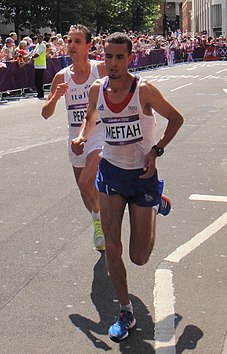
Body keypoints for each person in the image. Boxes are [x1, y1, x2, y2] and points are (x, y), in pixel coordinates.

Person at [71, 32, 184, 341]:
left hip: (142, 179)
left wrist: (156, 150)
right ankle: (125, 310)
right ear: (103, 58)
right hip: (110, 173)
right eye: (108, 57)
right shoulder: (97, 89)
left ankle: (156, 201)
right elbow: (91, 118)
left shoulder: (143, 91)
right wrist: (82, 136)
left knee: (139, 256)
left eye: (120, 57)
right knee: (112, 246)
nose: (113, 63)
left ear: (131, 58)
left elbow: (176, 119)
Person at [41, 24, 107, 251]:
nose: (71, 46)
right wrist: (56, 97)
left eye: (77, 41)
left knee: (85, 181)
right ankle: (99, 221)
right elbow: (45, 114)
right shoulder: (62, 76)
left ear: (89, 45)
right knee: (84, 189)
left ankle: (105, 219)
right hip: (74, 135)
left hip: (99, 132)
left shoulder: (101, 70)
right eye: (69, 41)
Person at [32, 34, 47, 99]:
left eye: (40, 38)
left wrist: (31, 57)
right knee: (37, 80)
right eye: (38, 38)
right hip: (37, 64)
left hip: (41, 65)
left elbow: (37, 54)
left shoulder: (42, 46)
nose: (39, 39)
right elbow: (33, 52)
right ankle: (39, 93)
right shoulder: (38, 45)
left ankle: (40, 94)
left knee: (39, 80)